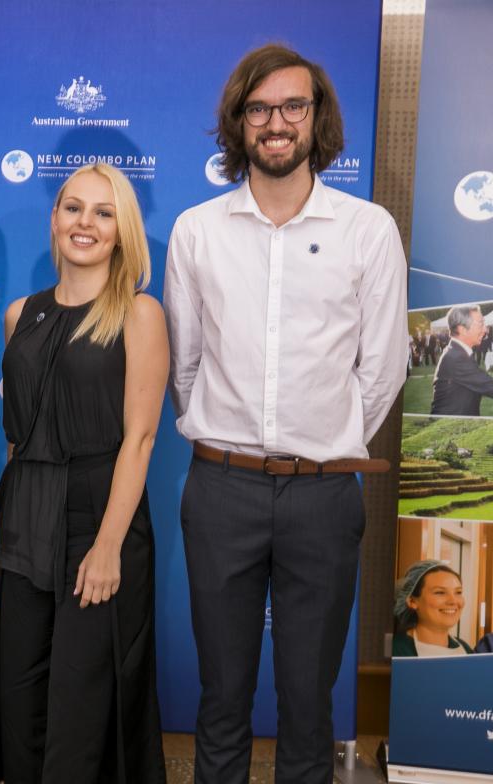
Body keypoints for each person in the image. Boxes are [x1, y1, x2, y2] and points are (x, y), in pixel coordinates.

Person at [164, 44, 407, 784]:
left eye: (292, 106)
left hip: (324, 497)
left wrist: (321, 445)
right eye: (259, 108)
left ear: (317, 117)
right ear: (239, 123)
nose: (277, 123)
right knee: (222, 696)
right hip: (221, 492)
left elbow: (384, 366)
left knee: (309, 701)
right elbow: (185, 364)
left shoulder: (367, 230)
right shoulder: (197, 230)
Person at [0, 163, 167, 784]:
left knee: (83, 704)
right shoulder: (18, 315)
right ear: (54, 218)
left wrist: (109, 544)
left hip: (98, 515)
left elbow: (140, 439)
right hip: (25, 515)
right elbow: (17, 435)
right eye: (73, 208)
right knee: (20, 692)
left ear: (122, 232)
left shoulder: (139, 315)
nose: (84, 222)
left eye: (103, 212)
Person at [392, 560, 472, 657]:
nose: (453, 601)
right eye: (440, 592)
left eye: (458, 592)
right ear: (412, 601)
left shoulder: (466, 649)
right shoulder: (395, 650)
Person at [430, 305, 493, 416]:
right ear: (462, 329)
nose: (485, 329)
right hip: (451, 430)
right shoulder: (456, 358)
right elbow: (489, 385)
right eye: (480, 324)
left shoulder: (457, 352)